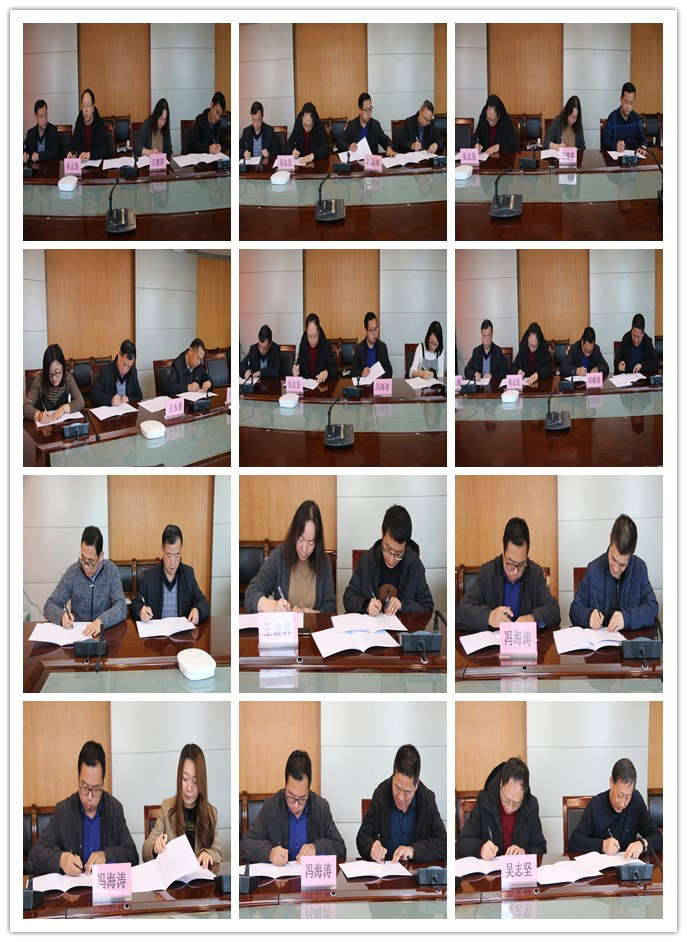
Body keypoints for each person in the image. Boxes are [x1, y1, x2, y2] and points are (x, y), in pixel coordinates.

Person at [28, 740, 138, 876]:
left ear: (103, 783)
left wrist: (106, 856)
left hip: (103, 888)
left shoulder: (114, 809)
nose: (89, 797)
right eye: (85, 787)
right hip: (74, 889)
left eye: (96, 789)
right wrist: (60, 860)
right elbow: (35, 855)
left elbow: (133, 856)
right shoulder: (64, 811)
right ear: (78, 779)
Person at [240, 750, 346, 864]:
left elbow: (341, 849)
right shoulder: (271, 806)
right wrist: (269, 852)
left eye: (302, 798)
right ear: (285, 784)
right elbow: (245, 844)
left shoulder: (320, 807)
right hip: (280, 875)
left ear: (308, 789)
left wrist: (316, 847)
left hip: (308, 875)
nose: (296, 805)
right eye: (291, 796)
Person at [456, 517, 561, 632]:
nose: (515, 572)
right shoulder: (487, 572)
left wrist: (532, 618)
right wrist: (489, 617)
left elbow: (554, 612)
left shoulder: (534, 573)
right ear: (503, 552)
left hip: (523, 642)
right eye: (510, 563)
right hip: (494, 642)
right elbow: (461, 612)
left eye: (521, 564)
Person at [357, 744, 446, 863]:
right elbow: (362, 837)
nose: (400, 797)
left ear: (416, 784)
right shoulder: (381, 794)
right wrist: (371, 847)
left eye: (407, 792)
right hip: (385, 871)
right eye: (397, 788)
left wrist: (413, 850)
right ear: (393, 775)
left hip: (414, 871)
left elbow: (443, 844)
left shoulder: (427, 799)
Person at [569, 514, 658, 631]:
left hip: (628, 640)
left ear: (632, 554)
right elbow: (574, 610)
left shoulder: (639, 569)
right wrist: (588, 616)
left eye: (622, 564)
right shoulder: (593, 569)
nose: (616, 569)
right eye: (613, 559)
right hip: (600, 641)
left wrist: (627, 618)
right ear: (610, 538)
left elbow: (652, 609)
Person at [244, 500, 336, 614]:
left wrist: (310, 612)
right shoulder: (280, 556)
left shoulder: (324, 562)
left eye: (311, 542)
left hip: (313, 625)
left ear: (317, 541)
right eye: (300, 539)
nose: (304, 549)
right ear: (294, 534)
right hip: (285, 625)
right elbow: (251, 594)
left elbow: (330, 606)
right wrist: (274, 606)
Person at [343, 505, 434, 615]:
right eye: (387, 549)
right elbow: (348, 598)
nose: (391, 560)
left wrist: (403, 605)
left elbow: (427, 607)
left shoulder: (415, 566)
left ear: (406, 544)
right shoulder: (367, 561)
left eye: (398, 554)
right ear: (382, 532)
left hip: (402, 626)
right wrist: (366, 605)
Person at [142, 743, 221, 867]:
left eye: (195, 782)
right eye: (184, 779)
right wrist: (154, 847)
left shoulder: (211, 813)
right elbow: (145, 850)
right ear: (179, 777)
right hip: (174, 878)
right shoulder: (167, 807)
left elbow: (217, 852)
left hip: (200, 878)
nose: (189, 788)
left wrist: (209, 853)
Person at [568, 758, 662, 857]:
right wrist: (602, 845)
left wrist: (642, 844)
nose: (622, 803)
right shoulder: (596, 805)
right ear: (611, 782)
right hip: (602, 866)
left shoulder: (636, 801)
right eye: (620, 795)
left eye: (627, 797)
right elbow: (574, 842)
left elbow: (658, 837)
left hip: (627, 864)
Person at [44, 526, 127, 638]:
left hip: (105, 635)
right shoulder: (73, 572)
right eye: (83, 558)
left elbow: (121, 606)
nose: (86, 566)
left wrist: (102, 621)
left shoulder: (111, 570)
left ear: (101, 556)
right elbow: (49, 605)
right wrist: (61, 616)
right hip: (79, 635)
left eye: (91, 561)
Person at [456, 758, 547, 859]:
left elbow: (541, 848)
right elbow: (461, 843)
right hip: (490, 868)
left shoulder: (531, 805)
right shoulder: (485, 799)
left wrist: (524, 852)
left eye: (516, 803)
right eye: (506, 800)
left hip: (516, 869)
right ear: (501, 783)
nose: (510, 808)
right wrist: (480, 848)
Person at [131, 524, 209, 624]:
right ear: (162, 550)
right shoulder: (149, 576)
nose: (173, 562)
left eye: (176, 555)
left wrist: (197, 610)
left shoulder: (188, 574)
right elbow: (135, 603)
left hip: (181, 632)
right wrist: (140, 610)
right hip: (158, 632)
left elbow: (203, 603)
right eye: (169, 555)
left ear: (181, 550)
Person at [23, 343, 84, 423]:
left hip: (62, 425)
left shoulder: (67, 378)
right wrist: (39, 415)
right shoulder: (39, 380)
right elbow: (26, 406)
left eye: (57, 372)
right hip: (44, 427)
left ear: (63, 367)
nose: (54, 378)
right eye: (49, 373)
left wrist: (62, 409)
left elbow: (80, 401)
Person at [337, 92, 395, 157]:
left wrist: (389, 147)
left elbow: (385, 140)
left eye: (370, 109)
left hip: (371, 161)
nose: (369, 113)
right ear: (360, 110)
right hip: (356, 161)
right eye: (366, 110)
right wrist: (349, 146)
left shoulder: (375, 125)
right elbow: (340, 141)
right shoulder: (352, 125)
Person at [90, 340, 143, 406]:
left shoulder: (133, 371)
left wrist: (128, 399)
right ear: (119, 355)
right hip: (110, 411)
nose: (125, 370)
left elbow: (139, 396)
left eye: (129, 366)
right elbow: (94, 396)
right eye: (124, 364)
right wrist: (111, 399)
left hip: (127, 411)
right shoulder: (106, 371)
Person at [601, 82, 648, 156]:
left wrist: (643, 145)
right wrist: (615, 145)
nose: (628, 107)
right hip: (616, 160)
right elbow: (605, 141)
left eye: (631, 103)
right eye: (626, 102)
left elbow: (641, 137)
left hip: (632, 160)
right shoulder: (613, 117)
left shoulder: (635, 117)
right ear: (621, 99)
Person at [67, 88, 111, 160]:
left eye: (88, 105)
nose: (86, 110)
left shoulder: (100, 123)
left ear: (93, 108)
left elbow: (105, 149)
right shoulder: (79, 124)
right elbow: (72, 144)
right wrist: (69, 152)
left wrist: (90, 154)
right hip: (82, 165)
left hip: (97, 164)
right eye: (84, 105)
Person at [293, 313, 338, 383]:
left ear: (318, 332)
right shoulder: (303, 344)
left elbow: (335, 370)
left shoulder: (326, 345)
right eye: (309, 336)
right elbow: (299, 365)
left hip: (321, 385)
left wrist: (326, 373)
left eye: (314, 335)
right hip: (306, 386)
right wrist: (296, 371)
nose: (312, 340)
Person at [351, 312, 393, 379]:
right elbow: (352, 373)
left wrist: (381, 374)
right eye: (371, 330)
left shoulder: (382, 347)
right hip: (365, 384)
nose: (374, 333)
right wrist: (361, 373)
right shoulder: (359, 349)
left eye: (376, 329)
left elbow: (389, 371)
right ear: (366, 331)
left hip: (378, 384)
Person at [23, 99, 58, 163]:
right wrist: (23, 155)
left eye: (45, 116)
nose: (44, 120)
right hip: (34, 168)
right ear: (36, 117)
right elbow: (24, 148)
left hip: (49, 167)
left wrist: (39, 156)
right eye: (41, 117)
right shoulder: (30, 133)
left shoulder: (53, 130)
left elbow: (56, 152)